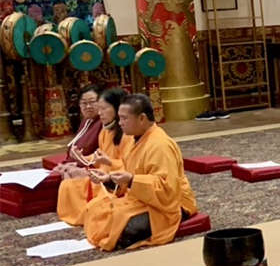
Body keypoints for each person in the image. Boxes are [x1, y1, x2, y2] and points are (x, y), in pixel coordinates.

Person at [82, 94, 196, 251]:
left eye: (124, 118)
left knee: (125, 224)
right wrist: (108, 179)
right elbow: (128, 173)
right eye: (119, 118)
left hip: (172, 204)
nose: (120, 123)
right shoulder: (134, 140)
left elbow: (166, 189)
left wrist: (131, 180)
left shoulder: (160, 145)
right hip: (142, 199)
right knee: (95, 207)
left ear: (142, 118)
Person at [56, 86, 128, 227]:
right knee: (68, 184)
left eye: (103, 109)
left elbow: (131, 165)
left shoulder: (128, 134)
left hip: (118, 180)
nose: (99, 113)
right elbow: (99, 156)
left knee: (94, 204)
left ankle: (88, 213)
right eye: (99, 109)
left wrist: (108, 165)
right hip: (105, 173)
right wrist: (81, 159)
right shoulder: (106, 131)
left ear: (117, 109)